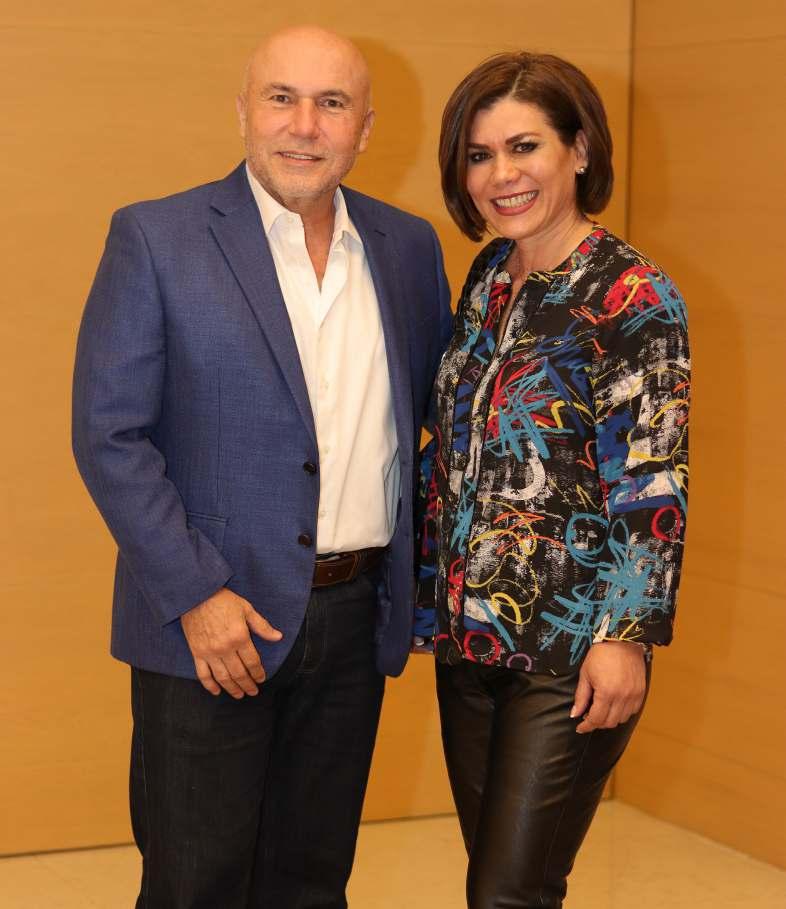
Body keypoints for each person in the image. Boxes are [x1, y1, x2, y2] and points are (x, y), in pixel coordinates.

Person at [72, 25, 452, 909]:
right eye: (282, 98)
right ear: (243, 111)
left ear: (365, 127)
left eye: (332, 104)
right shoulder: (157, 238)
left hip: (353, 621)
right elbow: (109, 434)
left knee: (311, 884)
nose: (304, 126)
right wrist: (195, 595)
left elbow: (436, 417)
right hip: (212, 624)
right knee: (195, 886)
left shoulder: (407, 248)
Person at [414, 51, 689, 908]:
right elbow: (455, 449)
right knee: (506, 887)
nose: (501, 175)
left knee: (508, 893)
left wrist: (626, 636)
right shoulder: (489, 280)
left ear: (580, 149)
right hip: (468, 641)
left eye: (524, 146)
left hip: (570, 651)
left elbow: (653, 478)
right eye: (480, 155)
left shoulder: (634, 295)